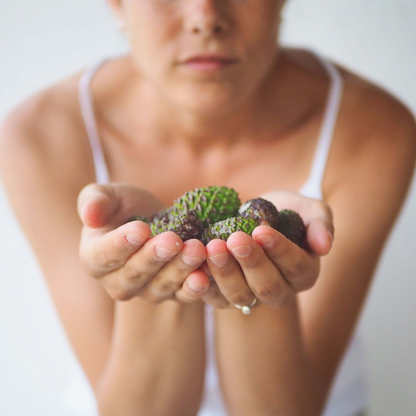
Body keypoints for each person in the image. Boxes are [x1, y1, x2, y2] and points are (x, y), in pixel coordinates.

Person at [0, 0, 415, 415]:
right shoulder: (39, 137)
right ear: (117, 4)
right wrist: (152, 282)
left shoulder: (373, 129)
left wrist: (262, 284)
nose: (205, 18)